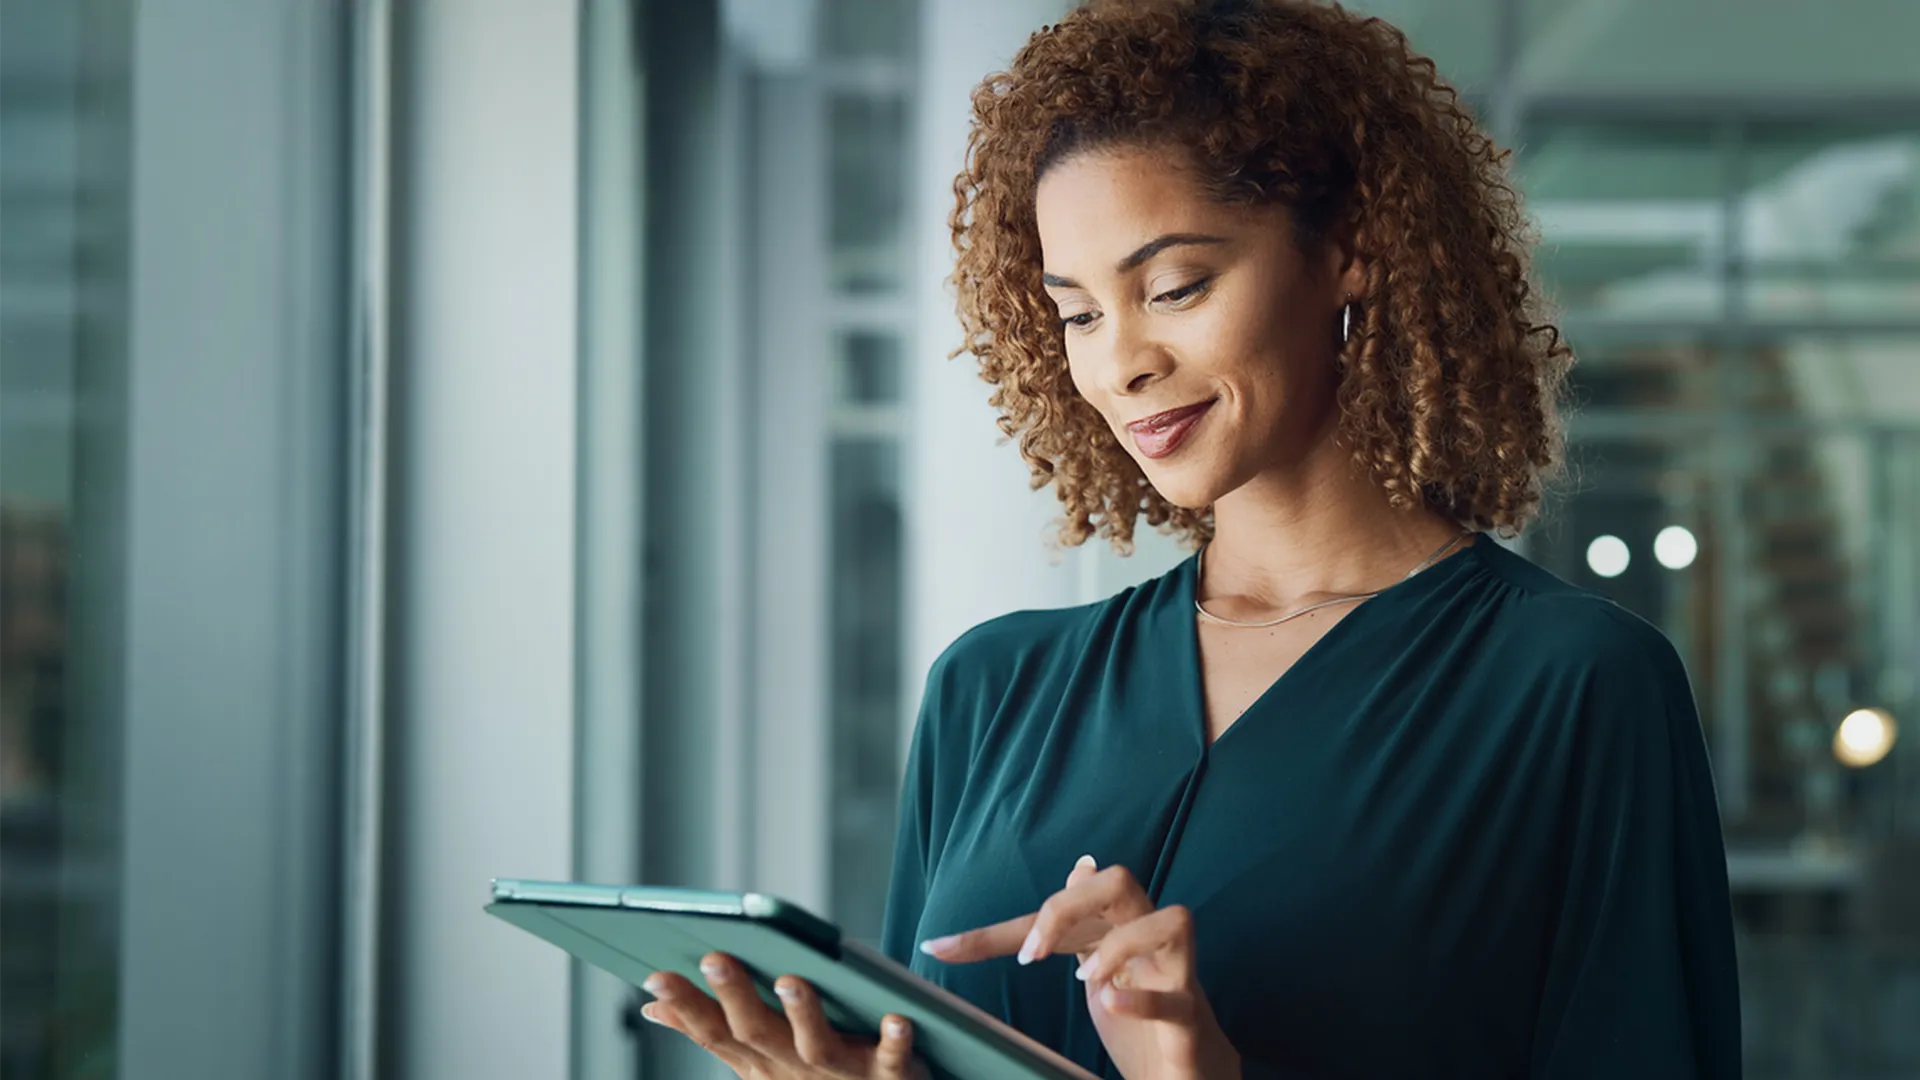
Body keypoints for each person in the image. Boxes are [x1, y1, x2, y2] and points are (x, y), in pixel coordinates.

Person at [635, 0, 1744, 1076]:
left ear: (1348, 250)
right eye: (1076, 313)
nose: (1119, 363)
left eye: (1175, 286)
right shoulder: (992, 692)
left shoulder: (1575, 690)